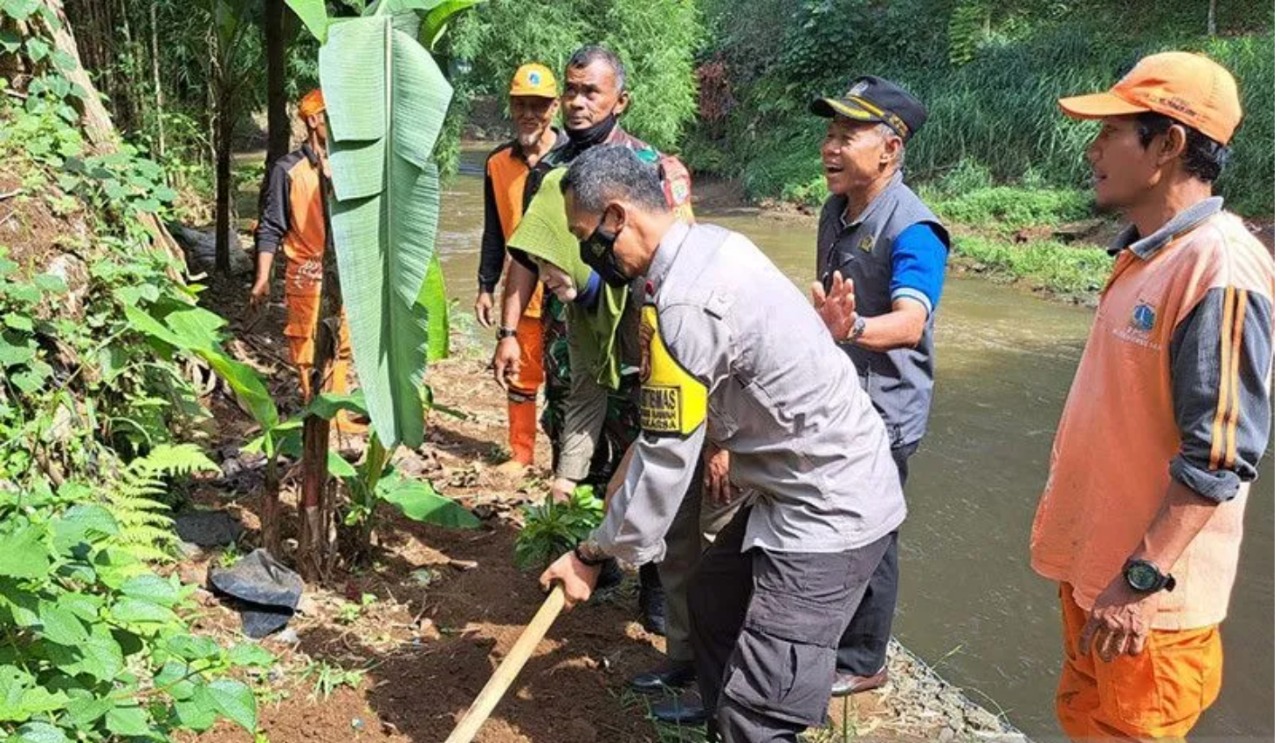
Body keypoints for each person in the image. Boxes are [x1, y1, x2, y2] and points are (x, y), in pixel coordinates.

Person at [540, 144, 906, 742]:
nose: (588, 255)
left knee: (760, 714)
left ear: (616, 217)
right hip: (792, 485)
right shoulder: (708, 247)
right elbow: (675, 426)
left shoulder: (685, 303)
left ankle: (744, 724)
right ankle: (720, 720)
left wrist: (591, 555)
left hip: (829, 506)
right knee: (713, 600)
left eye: (587, 236)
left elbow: (666, 460)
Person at [1029, 51, 1273, 741]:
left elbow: (1221, 456)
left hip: (1148, 605)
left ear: (1168, 144)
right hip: (1099, 580)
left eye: (1113, 131)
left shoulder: (1218, 269)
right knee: (1086, 723)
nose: (1092, 147)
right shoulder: (1148, 251)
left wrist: (1139, 582)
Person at [489, 44, 695, 638]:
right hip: (570, 336)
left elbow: (682, 258)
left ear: (619, 100)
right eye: (572, 91)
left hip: (643, 343)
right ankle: (592, 559)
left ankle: (656, 587)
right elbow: (523, 256)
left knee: (650, 452)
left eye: (591, 93)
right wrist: (509, 330)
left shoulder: (656, 170)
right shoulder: (549, 172)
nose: (578, 103)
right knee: (578, 440)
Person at [808, 76, 950, 696]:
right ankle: (831, 637)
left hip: (885, 408)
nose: (829, 148)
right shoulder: (836, 211)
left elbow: (911, 319)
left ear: (890, 149)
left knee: (876, 533)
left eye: (846, 136)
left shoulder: (916, 228)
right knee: (834, 518)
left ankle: (866, 661)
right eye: (829, 135)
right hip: (839, 399)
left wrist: (854, 325)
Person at [473, 63, 566, 473]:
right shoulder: (497, 164)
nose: (530, 113)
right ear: (510, 106)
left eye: (539, 105)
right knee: (520, 377)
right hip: (521, 292)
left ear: (555, 107)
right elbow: (494, 230)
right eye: (521, 104)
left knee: (569, 383)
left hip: (569, 295)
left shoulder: (574, 156)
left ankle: (568, 466)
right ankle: (521, 454)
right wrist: (484, 284)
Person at [251, 89, 357, 417]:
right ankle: (316, 410)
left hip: (347, 269)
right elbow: (271, 226)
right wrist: (262, 278)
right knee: (307, 343)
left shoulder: (351, 167)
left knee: (343, 341)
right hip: (307, 269)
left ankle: (336, 409)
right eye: (332, 115)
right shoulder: (288, 170)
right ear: (313, 121)